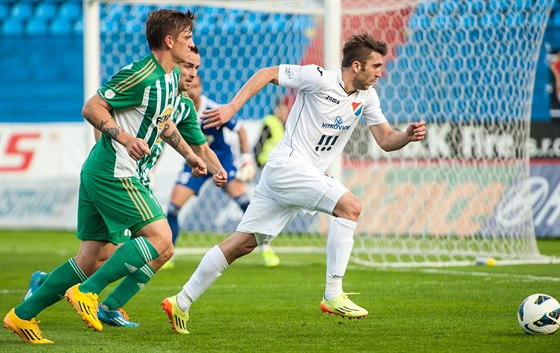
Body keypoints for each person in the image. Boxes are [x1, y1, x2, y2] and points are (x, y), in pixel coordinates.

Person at [161, 33, 427, 334]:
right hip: (288, 166)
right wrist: (232, 108)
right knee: (351, 207)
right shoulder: (318, 78)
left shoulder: (368, 97)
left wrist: (406, 136)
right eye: (376, 65)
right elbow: (266, 74)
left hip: (291, 176)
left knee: (242, 243)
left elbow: (385, 139)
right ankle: (332, 294)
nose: (381, 71)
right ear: (356, 65)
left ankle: (180, 300)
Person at [3, 9, 211, 344]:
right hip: (113, 172)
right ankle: (89, 294)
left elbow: (164, 122)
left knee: (90, 258)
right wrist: (125, 138)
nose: (192, 44)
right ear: (169, 41)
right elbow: (92, 107)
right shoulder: (142, 74)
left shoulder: (171, 80)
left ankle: (21, 315)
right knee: (161, 240)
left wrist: (189, 156)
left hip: (102, 170)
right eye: (187, 38)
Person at [164, 74, 280, 269]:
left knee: (246, 204)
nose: (193, 91)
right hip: (195, 163)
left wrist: (245, 159)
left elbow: (241, 129)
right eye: (189, 87)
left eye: (197, 86)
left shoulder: (211, 109)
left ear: (201, 87)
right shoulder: (177, 110)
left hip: (220, 162)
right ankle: (168, 254)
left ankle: (266, 247)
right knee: (173, 208)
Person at [253, 98, 289, 170]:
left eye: (285, 110)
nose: (284, 112)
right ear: (277, 110)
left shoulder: (285, 125)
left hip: (279, 164)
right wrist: (258, 163)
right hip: (266, 162)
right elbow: (259, 144)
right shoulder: (270, 123)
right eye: (281, 109)